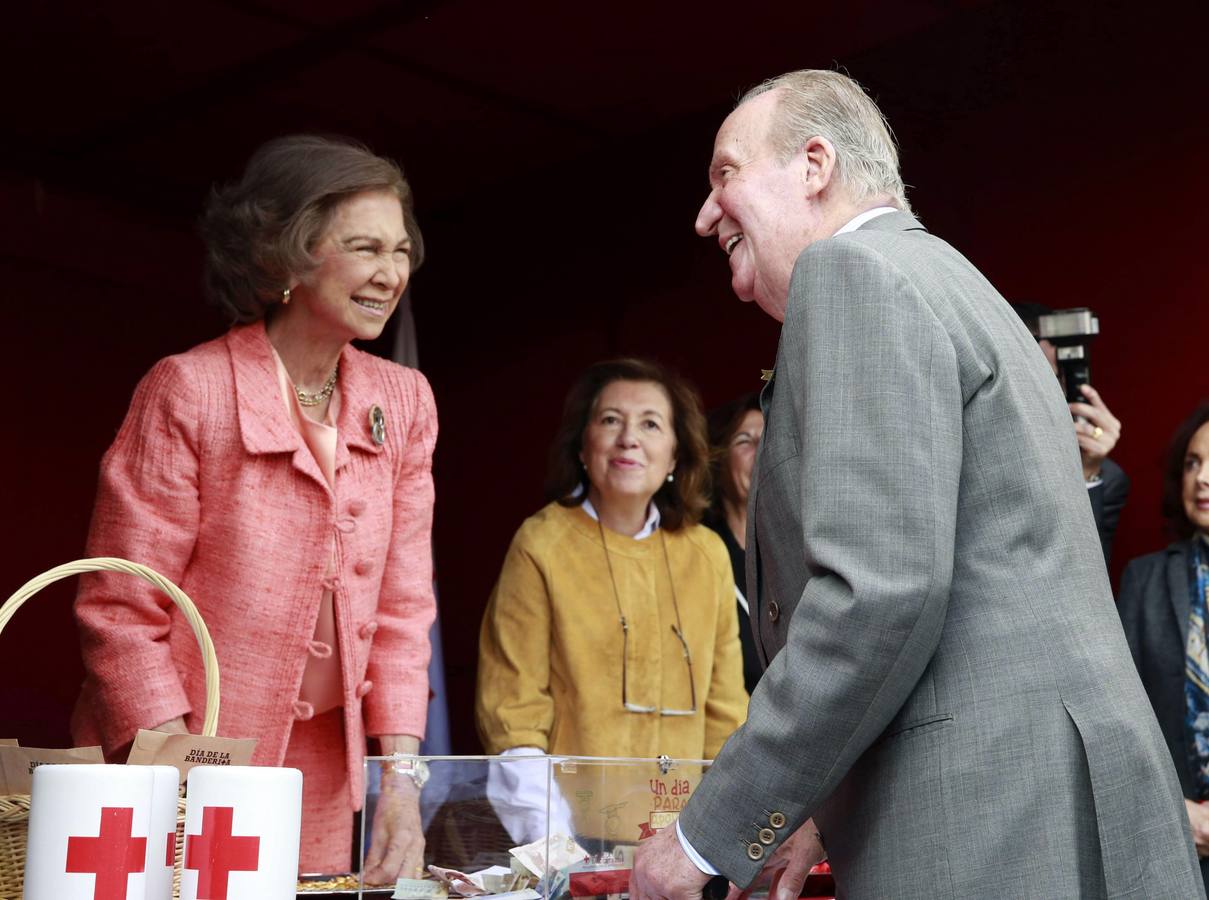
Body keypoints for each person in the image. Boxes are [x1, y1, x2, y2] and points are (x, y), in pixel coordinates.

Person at [631, 69, 1201, 899]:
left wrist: (707, 835)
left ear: (814, 165)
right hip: (1048, 808)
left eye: (725, 175)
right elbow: (983, 588)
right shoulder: (956, 283)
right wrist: (815, 809)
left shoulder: (850, 273)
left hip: (986, 818)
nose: (704, 213)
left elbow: (876, 594)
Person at [71, 135, 437, 881]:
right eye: (364, 247)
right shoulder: (189, 388)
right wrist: (181, 779)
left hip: (319, 784)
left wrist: (401, 782)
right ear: (287, 255)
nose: (390, 273)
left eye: (400, 250)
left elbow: (403, 610)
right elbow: (119, 608)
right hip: (171, 764)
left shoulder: (403, 401)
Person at [476, 358, 748, 763]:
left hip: (683, 821)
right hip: (566, 818)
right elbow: (514, 706)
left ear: (675, 455)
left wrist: (710, 824)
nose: (628, 439)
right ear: (583, 446)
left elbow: (725, 713)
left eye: (650, 424)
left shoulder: (706, 554)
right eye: (610, 420)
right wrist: (548, 826)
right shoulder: (542, 542)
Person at [1118, 402, 1209, 889]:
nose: (1203, 478)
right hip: (1175, 848)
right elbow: (1120, 714)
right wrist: (1177, 812)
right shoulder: (1146, 578)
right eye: (1193, 462)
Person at [1011, 301, 1129, 564]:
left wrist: (1085, 473)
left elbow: (1087, 578)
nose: (1046, 393)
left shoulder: (1105, 478)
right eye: (1033, 377)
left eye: (1056, 380)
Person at [703, 393, 764, 693]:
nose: (761, 450)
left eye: (768, 439)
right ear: (717, 458)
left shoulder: (802, 548)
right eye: (744, 441)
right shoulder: (699, 551)